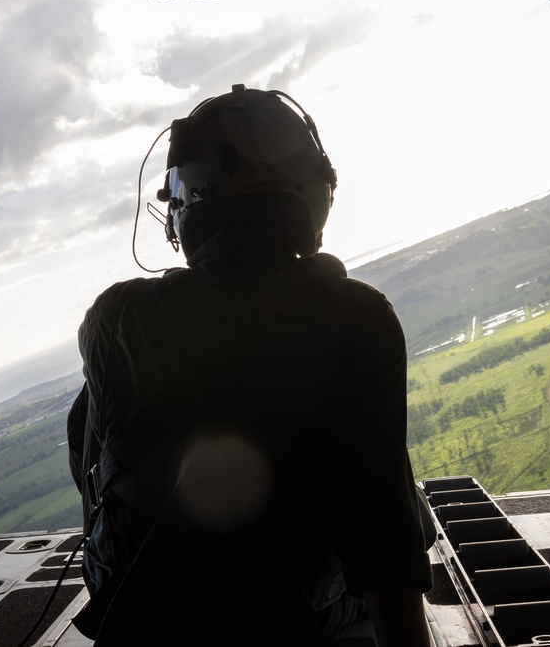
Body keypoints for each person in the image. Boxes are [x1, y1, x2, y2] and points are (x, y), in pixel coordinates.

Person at [66, 84, 433, 646]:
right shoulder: (358, 316)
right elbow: (380, 526)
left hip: (144, 620)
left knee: (89, 409)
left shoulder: (115, 317)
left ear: (186, 208)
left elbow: (96, 468)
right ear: (314, 195)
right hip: (299, 623)